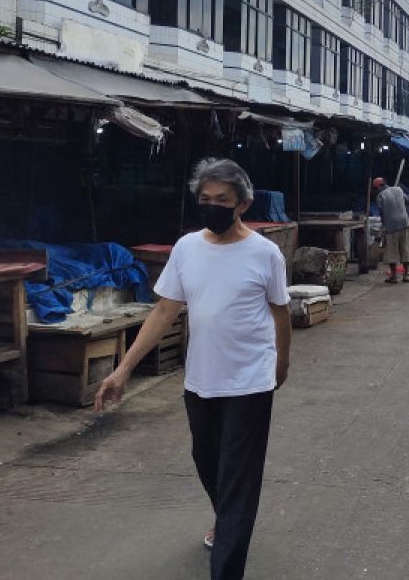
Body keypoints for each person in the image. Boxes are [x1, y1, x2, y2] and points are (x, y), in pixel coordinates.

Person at [95, 158, 291, 579]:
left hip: (250, 380)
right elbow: (164, 310)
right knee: (206, 458)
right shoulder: (186, 248)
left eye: (222, 200)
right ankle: (227, 518)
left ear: (243, 203)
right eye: (205, 199)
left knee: (238, 477)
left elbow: (280, 312)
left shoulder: (265, 253)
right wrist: (123, 369)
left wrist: (281, 362)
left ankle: (226, 563)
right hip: (201, 379)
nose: (213, 206)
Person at [373, 177, 409, 284]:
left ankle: (394, 276)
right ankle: (406, 275)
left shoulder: (380, 196)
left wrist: (384, 225)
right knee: (405, 249)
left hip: (392, 226)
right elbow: (408, 202)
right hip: (405, 223)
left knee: (391, 251)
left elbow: (381, 213)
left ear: (377, 187)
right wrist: (408, 216)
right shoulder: (399, 190)